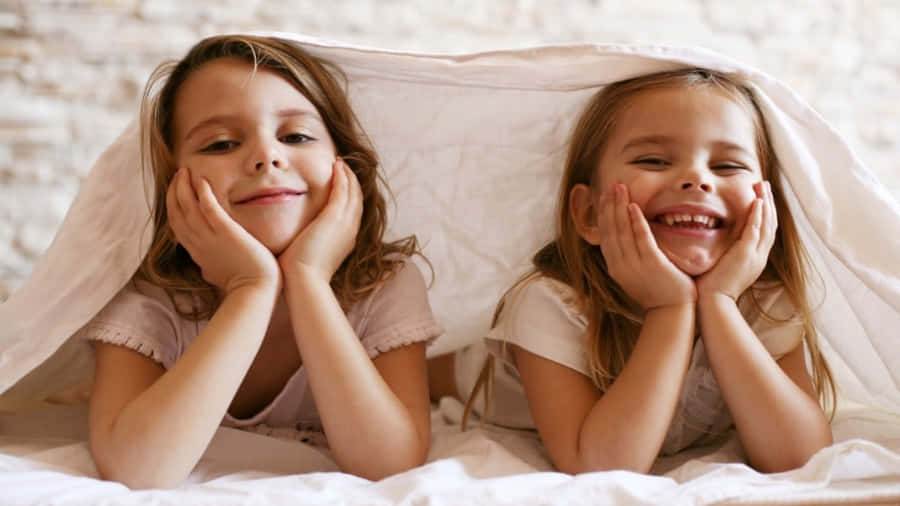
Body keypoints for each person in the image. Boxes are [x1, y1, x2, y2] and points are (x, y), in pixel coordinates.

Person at [429, 68, 835, 474]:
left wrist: (720, 303)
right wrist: (670, 309)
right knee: (427, 367)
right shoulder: (550, 302)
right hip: (476, 374)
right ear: (589, 213)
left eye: (728, 166)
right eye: (653, 160)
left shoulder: (766, 303)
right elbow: (598, 466)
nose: (696, 179)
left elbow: (800, 457)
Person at [80, 35, 442, 488]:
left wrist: (308, 278)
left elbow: (390, 465)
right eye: (221, 144)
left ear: (345, 164)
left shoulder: (384, 284)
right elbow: (136, 470)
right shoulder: (145, 293)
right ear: (173, 181)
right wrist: (250, 287)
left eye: (296, 136)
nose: (266, 157)